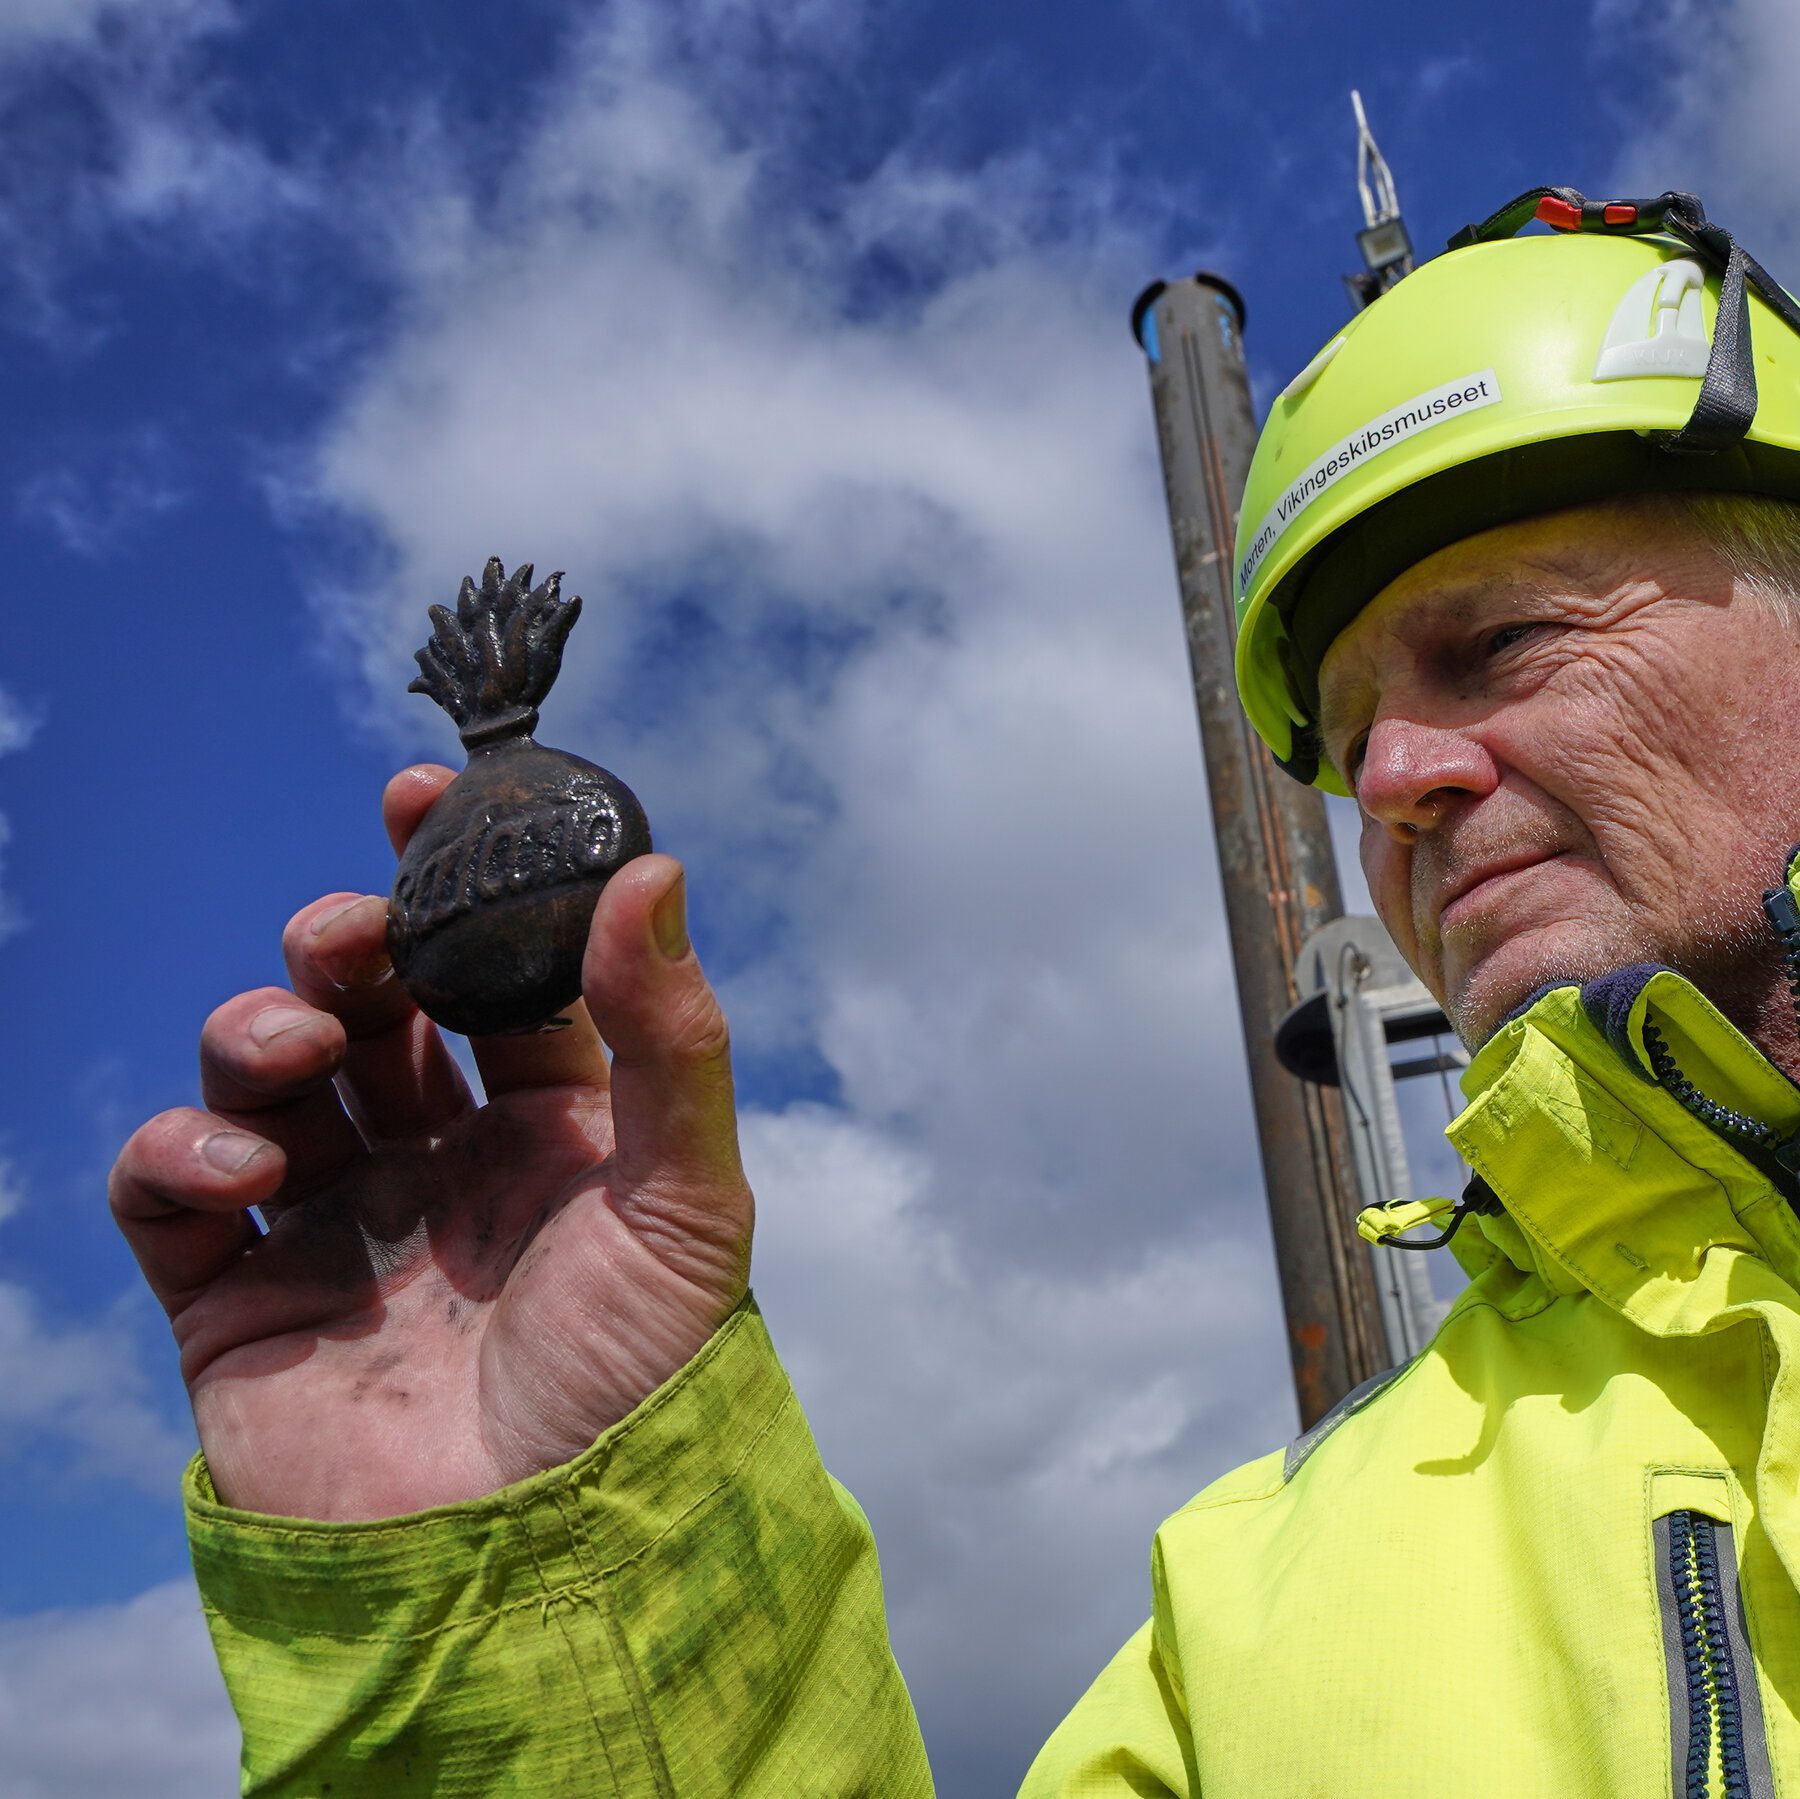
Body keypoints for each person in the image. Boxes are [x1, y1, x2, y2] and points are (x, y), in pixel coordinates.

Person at [110, 183, 1800, 1795]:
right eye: (1348, 743)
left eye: (1503, 644)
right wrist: (549, 1604)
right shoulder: (1250, 1618)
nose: (1395, 780)